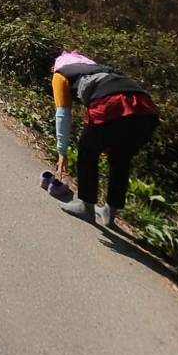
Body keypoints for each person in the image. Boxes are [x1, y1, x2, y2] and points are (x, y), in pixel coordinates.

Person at [52, 49, 159, 227]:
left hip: (112, 104)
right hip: (146, 110)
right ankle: (110, 211)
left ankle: (86, 207)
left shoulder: (60, 75)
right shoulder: (101, 70)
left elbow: (63, 114)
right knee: (120, 159)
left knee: (87, 152)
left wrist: (61, 152)